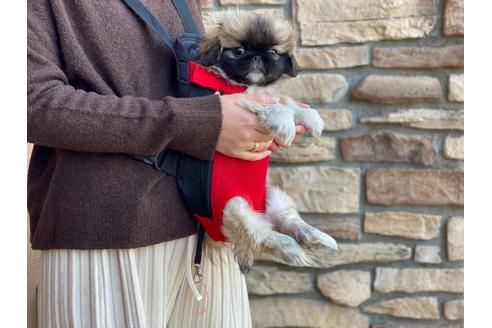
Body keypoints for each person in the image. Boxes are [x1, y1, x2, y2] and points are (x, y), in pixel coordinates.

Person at [28, 1, 305, 327]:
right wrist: (204, 122)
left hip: (209, 240)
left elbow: (196, 89)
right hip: (103, 237)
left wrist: (253, 122)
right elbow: (33, 103)